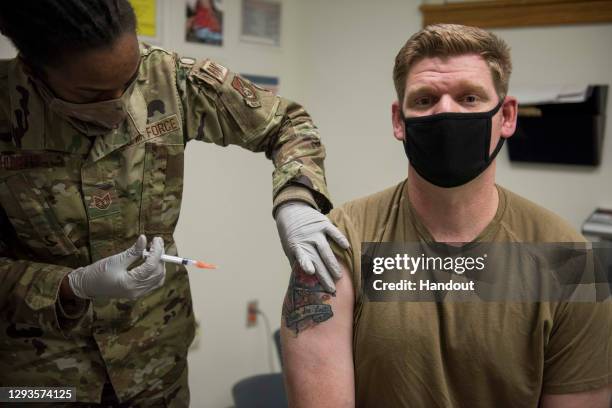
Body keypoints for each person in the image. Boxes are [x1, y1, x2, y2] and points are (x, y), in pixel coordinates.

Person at [0, 0, 348, 406]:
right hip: (41, 380)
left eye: (128, 83)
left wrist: (296, 200)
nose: (120, 107)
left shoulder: (168, 79)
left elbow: (287, 124)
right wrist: (69, 286)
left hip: (155, 368)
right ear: (34, 67)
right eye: (93, 95)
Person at [281, 24, 612, 407]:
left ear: (506, 116)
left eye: (469, 98)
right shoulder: (340, 240)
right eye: (424, 100)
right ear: (399, 121)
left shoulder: (568, 258)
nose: (445, 112)